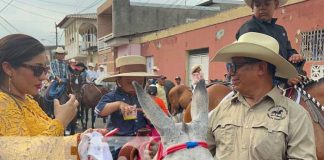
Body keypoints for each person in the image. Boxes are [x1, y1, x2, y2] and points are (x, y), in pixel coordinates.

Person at [208, 32, 316, 159]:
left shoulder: (296, 116)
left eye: (235, 66)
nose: (230, 73)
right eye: (229, 66)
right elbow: (199, 153)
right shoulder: (220, 111)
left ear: (261, 68)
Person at [0, 34, 81, 159]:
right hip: (58, 80)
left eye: (45, 70)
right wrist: (61, 121)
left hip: (64, 80)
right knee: (52, 92)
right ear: (8, 68)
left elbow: (51, 144)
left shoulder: (28, 100)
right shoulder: (2, 103)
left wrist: (82, 141)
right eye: (37, 69)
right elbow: (25, 156)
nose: (43, 77)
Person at [94, 55, 158, 159]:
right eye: (129, 83)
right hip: (118, 140)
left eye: (139, 83)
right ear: (119, 81)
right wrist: (118, 104)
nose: (134, 86)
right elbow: (99, 111)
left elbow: (156, 120)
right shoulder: (113, 96)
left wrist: (150, 117)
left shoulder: (145, 98)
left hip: (142, 139)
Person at [236, 0, 304, 85]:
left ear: (276, 5)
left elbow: (288, 50)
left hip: (283, 76)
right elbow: (252, 60)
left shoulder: (280, 30)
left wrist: (294, 55)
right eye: (257, 5)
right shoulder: (249, 28)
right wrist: (283, 79)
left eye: (267, 4)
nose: (262, 8)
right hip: (259, 79)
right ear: (252, 8)